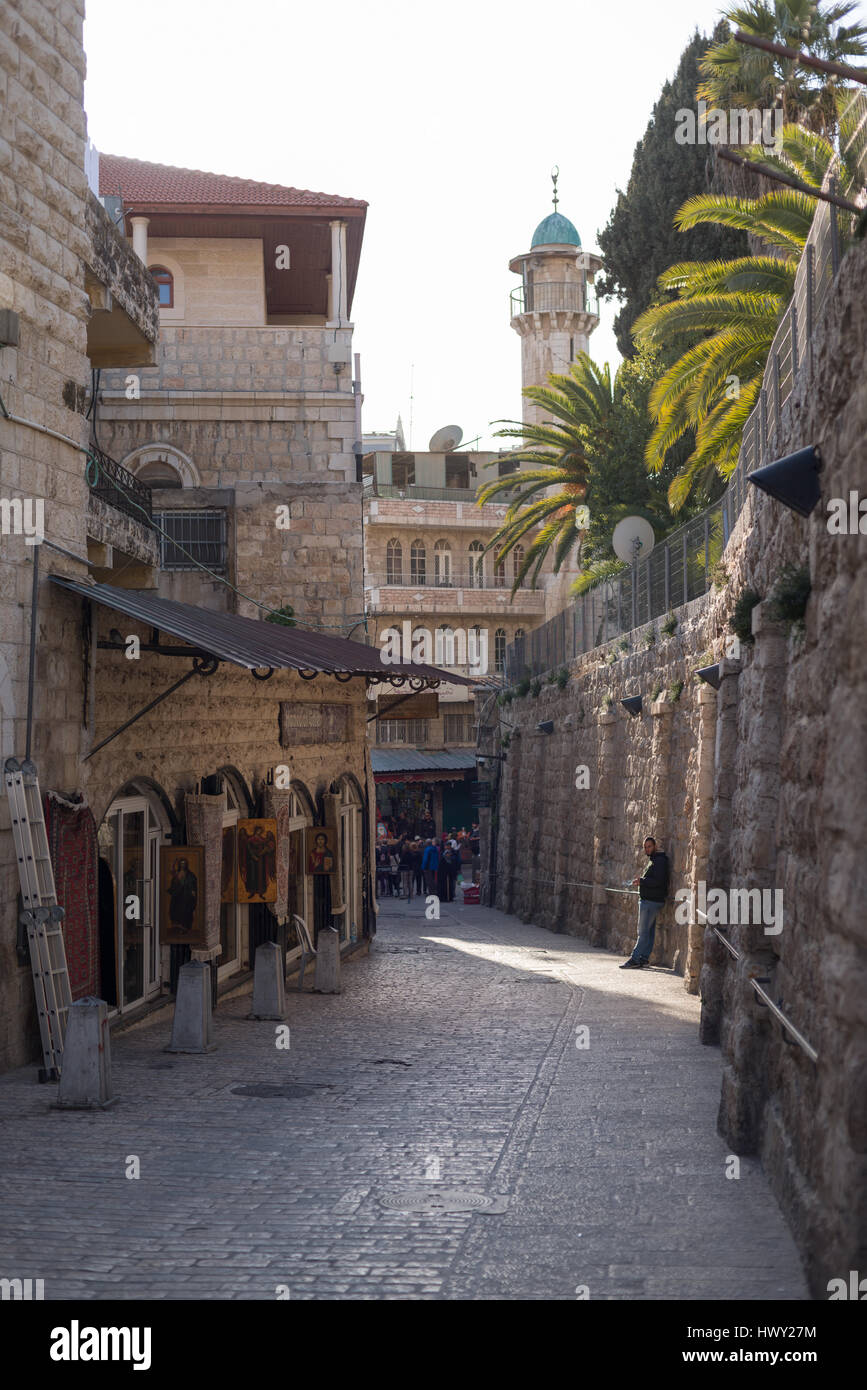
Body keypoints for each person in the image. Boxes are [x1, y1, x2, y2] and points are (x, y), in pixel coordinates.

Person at [621, 836, 670, 969]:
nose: (647, 849)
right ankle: (643, 958)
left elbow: (658, 881)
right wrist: (642, 881)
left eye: (649, 846)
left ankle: (635, 958)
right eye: (645, 847)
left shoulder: (659, 861)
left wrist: (642, 881)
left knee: (642, 931)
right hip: (652, 900)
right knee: (649, 931)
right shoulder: (654, 860)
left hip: (651, 901)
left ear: (655, 846)